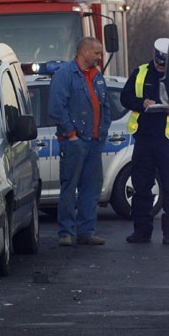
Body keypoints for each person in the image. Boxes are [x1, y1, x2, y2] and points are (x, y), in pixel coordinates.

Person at [120, 37, 169, 245]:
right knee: (141, 187)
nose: (160, 67)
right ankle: (141, 231)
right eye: (158, 63)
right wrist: (142, 103)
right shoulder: (140, 72)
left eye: (164, 64)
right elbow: (125, 98)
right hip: (144, 139)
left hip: (168, 141)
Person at [47, 36, 111, 246]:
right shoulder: (65, 75)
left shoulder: (97, 76)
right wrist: (71, 134)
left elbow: (105, 106)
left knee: (91, 188)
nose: (100, 57)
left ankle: (86, 231)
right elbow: (56, 108)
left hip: (94, 142)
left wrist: (102, 132)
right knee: (70, 186)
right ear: (84, 52)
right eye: (97, 53)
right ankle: (66, 232)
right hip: (74, 141)